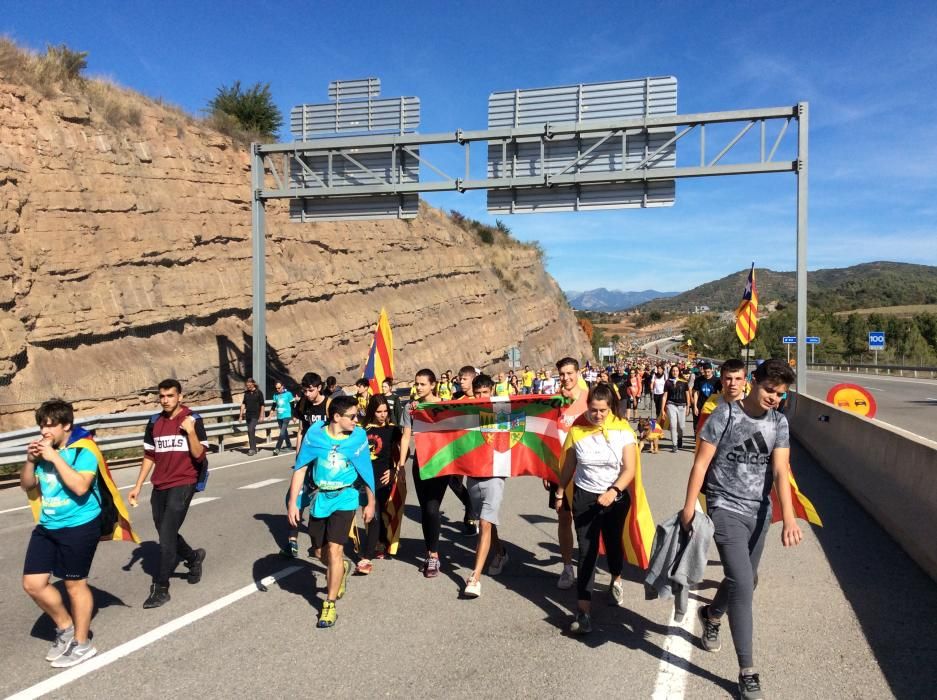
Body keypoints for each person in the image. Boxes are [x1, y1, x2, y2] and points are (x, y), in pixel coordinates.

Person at [680, 359, 802, 700]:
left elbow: (780, 471)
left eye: (780, 394)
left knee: (747, 579)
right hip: (725, 507)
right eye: (769, 390)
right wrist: (690, 506)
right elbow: (701, 463)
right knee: (744, 584)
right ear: (753, 382)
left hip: (759, 513)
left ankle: (712, 614)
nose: (774, 398)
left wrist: (788, 518)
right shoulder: (726, 415)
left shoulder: (779, 422)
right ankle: (748, 671)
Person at [21, 399, 103, 668]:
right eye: (41, 425)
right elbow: (27, 485)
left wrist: (54, 457)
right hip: (48, 524)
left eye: (50, 426)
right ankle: (65, 627)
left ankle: (82, 643)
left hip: (79, 525)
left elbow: (80, 487)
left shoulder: (85, 450)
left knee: (74, 585)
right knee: (33, 584)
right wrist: (31, 461)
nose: (44, 431)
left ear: (66, 425)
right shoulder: (44, 451)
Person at [287, 396, 375, 628]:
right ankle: (341, 568)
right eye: (353, 416)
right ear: (337, 417)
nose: (357, 420)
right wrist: (293, 503)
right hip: (321, 498)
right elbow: (300, 468)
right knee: (318, 552)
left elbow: (366, 469)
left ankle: (329, 604)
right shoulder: (315, 435)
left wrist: (371, 501)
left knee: (335, 550)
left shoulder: (358, 437)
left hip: (346, 497)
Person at [558, 384, 637, 634]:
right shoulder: (577, 430)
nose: (598, 415)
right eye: (593, 410)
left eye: (603, 410)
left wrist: (613, 492)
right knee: (587, 552)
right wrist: (560, 492)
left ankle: (615, 578)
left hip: (615, 497)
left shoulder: (623, 430)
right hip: (585, 497)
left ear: (610, 407)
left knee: (613, 543)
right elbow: (569, 465)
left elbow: (630, 469)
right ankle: (583, 612)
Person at [128, 379, 208, 609]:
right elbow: (149, 456)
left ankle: (161, 588)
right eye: (162, 396)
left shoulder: (193, 420)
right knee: (165, 530)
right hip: (160, 484)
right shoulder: (154, 422)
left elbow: (199, 455)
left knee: (166, 535)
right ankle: (193, 558)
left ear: (180, 396)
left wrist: (191, 431)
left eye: (170, 396)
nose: (165, 400)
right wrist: (138, 485)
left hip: (184, 482)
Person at [398, 369, 450, 577]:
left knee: (432, 509)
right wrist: (401, 466)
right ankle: (430, 552)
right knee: (424, 509)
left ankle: (434, 556)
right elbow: (405, 437)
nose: (418, 387)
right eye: (416, 384)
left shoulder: (445, 407)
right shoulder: (411, 409)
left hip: (441, 464)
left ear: (433, 385)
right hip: (420, 463)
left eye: (422, 384)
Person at [462, 374, 509, 598]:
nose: (481, 397)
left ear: (492, 390)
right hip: (473, 475)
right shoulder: (467, 411)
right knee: (488, 521)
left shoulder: (503, 411)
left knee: (484, 522)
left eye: (485, 392)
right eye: (477, 393)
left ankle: (475, 577)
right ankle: (500, 552)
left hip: (495, 475)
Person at [548, 357, 589, 590]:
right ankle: (567, 568)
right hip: (561, 471)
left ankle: (588, 565)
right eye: (562, 374)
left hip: (587, 471)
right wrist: (547, 471)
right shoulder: (556, 402)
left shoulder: (589, 398)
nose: (566, 378)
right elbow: (549, 436)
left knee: (587, 522)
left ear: (578, 373)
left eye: (569, 373)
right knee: (564, 518)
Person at [284, 372, 328, 557]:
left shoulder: (329, 405)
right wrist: (298, 456)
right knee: (295, 496)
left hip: (325, 458)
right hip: (308, 456)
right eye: (305, 390)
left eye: (311, 390)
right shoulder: (303, 404)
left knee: (322, 498)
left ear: (319, 388)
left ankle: (320, 541)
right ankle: (292, 540)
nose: (308, 394)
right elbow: (301, 430)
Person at [359, 395, 403, 573]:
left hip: (385, 479)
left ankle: (382, 542)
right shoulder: (363, 430)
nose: (383, 415)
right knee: (373, 516)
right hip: (366, 479)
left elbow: (403, 453)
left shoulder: (393, 430)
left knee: (383, 514)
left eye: (386, 411)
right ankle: (366, 557)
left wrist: (394, 471)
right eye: (379, 411)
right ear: (372, 411)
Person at [661, 365, 690, 453]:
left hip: (682, 406)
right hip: (671, 404)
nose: (675, 372)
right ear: (671, 372)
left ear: (679, 372)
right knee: (673, 425)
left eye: (676, 371)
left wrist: (688, 406)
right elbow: (665, 396)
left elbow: (687, 394)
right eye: (673, 371)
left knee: (681, 426)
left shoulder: (684, 382)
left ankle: (680, 438)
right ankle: (674, 444)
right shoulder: (668, 382)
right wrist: (662, 409)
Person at [691, 362, 722, 435]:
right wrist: (695, 406)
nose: (707, 374)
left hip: (712, 406)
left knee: (710, 425)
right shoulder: (698, 380)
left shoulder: (717, 381)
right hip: (700, 404)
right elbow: (696, 393)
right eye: (705, 372)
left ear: (712, 370)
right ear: (702, 370)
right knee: (698, 424)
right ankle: (697, 441)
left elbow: (720, 393)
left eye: (708, 372)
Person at [238, 378, 266, 455]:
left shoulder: (258, 393)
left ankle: (252, 449)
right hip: (248, 415)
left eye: (249, 385)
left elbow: (262, 405)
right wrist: (240, 416)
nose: (248, 387)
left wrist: (261, 416)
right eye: (247, 386)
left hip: (255, 415)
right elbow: (243, 404)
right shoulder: (246, 393)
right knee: (250, 432)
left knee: (251, 429)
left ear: (253, 384)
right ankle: (254, 448)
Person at [272, 380, 295, 456]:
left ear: (282, 386)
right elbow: (274, 405)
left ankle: (277, 448)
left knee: (282, 432)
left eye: (279, 388)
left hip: (286, 415)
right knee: (284, 432)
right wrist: (271, 412)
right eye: (276, 388)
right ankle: (289, 446)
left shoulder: (288, 394)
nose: (277, 390)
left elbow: (292, 406)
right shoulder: (275, 395)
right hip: (279, 416)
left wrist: (293, 416)